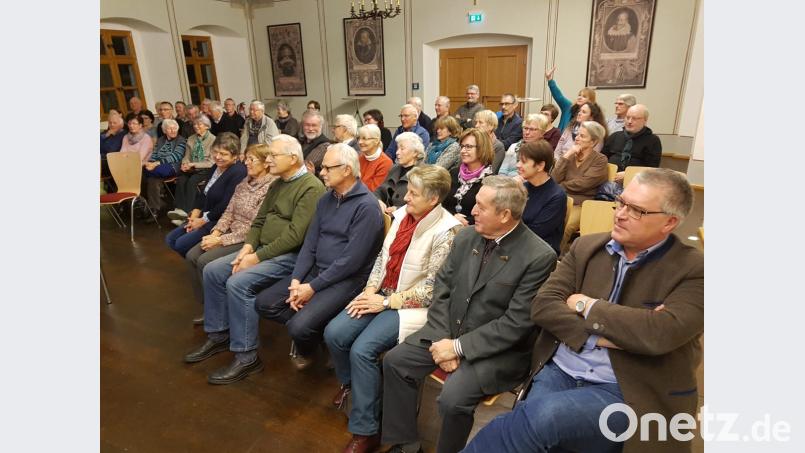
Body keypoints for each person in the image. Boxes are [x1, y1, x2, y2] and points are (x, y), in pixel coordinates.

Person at [462, 168, 702, 453]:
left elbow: (659, 333)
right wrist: (605, 336)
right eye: (621, 202)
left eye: (636, 210)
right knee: (535, 428)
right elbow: (543, 306)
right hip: (559, 369)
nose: (620, 213)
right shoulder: (587, 246)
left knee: (541, 419)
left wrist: (585, 304)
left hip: (627, 389)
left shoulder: (694, 270)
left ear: (669, 222)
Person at [380, 176, 558, 453]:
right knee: (395, 362)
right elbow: (443, 289)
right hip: (447, 331)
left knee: (452, 399)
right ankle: (407, 444)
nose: (472, 211)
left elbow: (517, 323)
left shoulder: (538, 256)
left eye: (481, 206)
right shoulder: (465, 236)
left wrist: (458, 348)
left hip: (496, 349)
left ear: (505, 215)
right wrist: (444, 339)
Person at [323, 165, 461, 453]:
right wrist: (371, 289)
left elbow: (432, 291)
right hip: (382, 294)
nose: (405, 198)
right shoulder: (402, 216)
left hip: (410, 306)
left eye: (413, 193)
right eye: (407, 191)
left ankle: (366, 431)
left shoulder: (448, 231)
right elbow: (382, 260)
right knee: (335, 333)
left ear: (434, 199)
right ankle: (357, 389)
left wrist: (385, 302)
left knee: (363, 350)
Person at [183, 134, 325, 384]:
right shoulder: (278, 182)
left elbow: (295, 236)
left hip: (290, 256)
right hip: (262, 249)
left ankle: (247, 357)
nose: (268, 159)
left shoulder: (311, 187)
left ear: (292, 159)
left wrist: (256, 257)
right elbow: (259, 220)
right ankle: (219, 335)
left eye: (273, 155)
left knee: (238, 283)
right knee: (213, 271)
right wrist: (246, 248)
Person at [256, 144, 384, 369]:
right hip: (318, 272)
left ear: (346, 170)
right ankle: (319, 334)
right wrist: (297, 280)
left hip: (348, 279)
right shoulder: (326, 199)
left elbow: (351, 262)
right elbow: (310, 244)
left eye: (327, 168)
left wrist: (311, 288)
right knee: (264, 303)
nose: (321, 172)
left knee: (298, 327)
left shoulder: (367, 206)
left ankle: (311, 335)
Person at [183, 143, 276, 325]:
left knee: (203, 261)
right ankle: (210, 307)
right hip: (228, 232)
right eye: (246, 158)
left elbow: (254, 226)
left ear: (266, 163)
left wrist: (221, 240)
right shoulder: (244, 182)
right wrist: (215, 232)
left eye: (251, 159)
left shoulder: (270, 187)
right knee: (191, 255)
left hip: (247, 238)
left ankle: (221, 312)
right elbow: (228, 212)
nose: (246, 163)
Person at [165, 132, 246, 257]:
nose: (217, 157)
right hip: (204, 215)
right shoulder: (216, 166)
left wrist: (202, 221)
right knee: (170, 239)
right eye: (215, 152)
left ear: (235, 156)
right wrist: (195, 214)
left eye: (223, 154)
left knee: (180, 244)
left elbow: (226, 204)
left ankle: (196, 261)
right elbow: (204, 192)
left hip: (218, 220)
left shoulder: (239, 172)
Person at [553, 121, 610, 254]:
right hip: (561, 199)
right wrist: (566, 156)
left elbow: (584, 183)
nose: (577, 138)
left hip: (582, 204)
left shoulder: (600, 160)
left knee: (565, 225)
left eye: (582, 136)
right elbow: (554, 178)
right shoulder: (571, 156)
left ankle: (555, 257)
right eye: (577, 135)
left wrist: (560, 186)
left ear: (593, 142)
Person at [516, 140, 567, 255]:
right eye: (519, 160)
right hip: (516, 242)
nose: (518, 165)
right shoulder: (522, 187)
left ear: (540, 166)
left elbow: (536, 233)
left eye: (523, 162)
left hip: (538, 250)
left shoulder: (557, 197)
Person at [442, 128, 495, 226]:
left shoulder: (490, 181)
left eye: (468, 147)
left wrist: (467, 221)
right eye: (462, 146)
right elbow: (442, 204)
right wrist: (452, 217)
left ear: (482, 148)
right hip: (446, 225)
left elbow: (490, 216)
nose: (462, 151)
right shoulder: (453, 173)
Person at [168, 115, 216, 221]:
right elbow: (187, 156)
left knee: (191, 182)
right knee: (181, 180)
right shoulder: (191, 138)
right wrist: (185, 164)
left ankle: (187, 212)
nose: (196, 126)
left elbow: (211, 162)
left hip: (205, 169)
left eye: (199, 124)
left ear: (207, 126)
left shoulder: (213, 140)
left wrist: (194, 165)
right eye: (195, 124)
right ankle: (178, 209)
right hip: (192, 168)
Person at [603, 104, 662, 183]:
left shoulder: (653, 140)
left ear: (645, 120)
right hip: (608, 179)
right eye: (627, 117)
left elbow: (652, 170)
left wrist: (629, 175)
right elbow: (602, 158)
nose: (629, 121)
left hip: (636, 182)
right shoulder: (615, 136)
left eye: (634, 118)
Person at [142, 119, 187, 216]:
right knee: (152, 179)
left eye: (175, 128)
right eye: (170, 129)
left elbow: (176, 156)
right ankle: (155, 207)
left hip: (173, 166)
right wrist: (150, 162)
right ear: (164, 131)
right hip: (157, 167)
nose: (173, 130)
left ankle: (151, 205)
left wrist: (155, 164)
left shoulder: (181, 140)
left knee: (148, 172)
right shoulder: (161, 140)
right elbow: (154, 154)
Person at [374, 132, 425, 215]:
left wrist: (398, 210)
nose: (397, 152)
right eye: (397, 148)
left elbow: (423, 204)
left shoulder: (423, 173)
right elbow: (379, 190)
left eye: (402, 149)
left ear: (415, 152)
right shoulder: (394, 168)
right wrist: (378, 200)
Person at [545, 66, 597, 133]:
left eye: (584, 96)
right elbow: (559, 96)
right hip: (561, 140)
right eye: (579, 95)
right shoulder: (568, 107)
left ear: (590, 100)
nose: (580, 97)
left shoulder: (593, 115)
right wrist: (550, 80)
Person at [356, 124, 393, 192]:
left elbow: (374, 190)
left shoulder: (385, 162)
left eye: (364, 138)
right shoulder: (359, 158)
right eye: (359, 138)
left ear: (376, 141)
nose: (360, 142)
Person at [298, 109, 331, 176]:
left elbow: (304, 167)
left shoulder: (324, 145)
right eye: (307, 125)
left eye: (314, 125)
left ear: (320, 126)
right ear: (302, 126)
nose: (310, 129)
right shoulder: (302, 141)